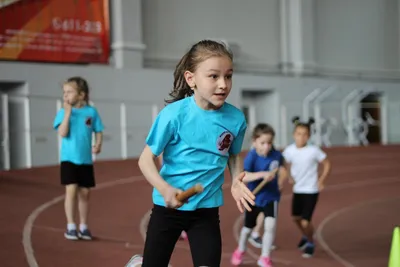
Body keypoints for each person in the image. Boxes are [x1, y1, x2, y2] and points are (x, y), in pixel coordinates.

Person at [136, 39, 255, 267]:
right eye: (213, 76)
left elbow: (232, 154)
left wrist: (237, 182)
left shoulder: (236, 119)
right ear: (191, 79)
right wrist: (165, 188)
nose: (223, 84)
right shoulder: (173, 115)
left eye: (228, 76)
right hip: (168, 207)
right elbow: (146, 159)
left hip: (206, 209)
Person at [53, 76, 104, 240]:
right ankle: (71, 226)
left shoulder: (91, 112)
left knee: (85, 193)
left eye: (69, 92)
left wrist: (98, 143)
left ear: (81, 95)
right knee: (71, 190)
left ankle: (83, 226)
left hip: (85, 160)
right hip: (68, 158)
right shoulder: (63, 112)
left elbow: (98, 130)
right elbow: (62, 132)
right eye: (64, 92)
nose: (65, 96)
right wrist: (68, 113)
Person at [231, 123, 287, 267]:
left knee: (270, 225)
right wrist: (263, 175)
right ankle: (241, 249)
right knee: (247, 229)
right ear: (254, 142)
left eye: (269, 143)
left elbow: (281, 168)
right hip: (254, 197)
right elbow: (244, 176)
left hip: (271, 197)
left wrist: (281, 179)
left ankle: (265, 256)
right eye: (262, 143)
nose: (266, 146)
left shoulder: (277, 155)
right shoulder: (252, 157)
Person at [282, 117, 331, 258]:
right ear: (293, 135)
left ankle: (310, 242)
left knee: (305, 221)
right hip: (298, 189)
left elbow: (327, 164)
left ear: (309, 136)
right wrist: (288, 175)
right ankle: (305, 235)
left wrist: (321, 180)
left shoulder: (313, 150)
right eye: (298, 133)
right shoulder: (289, 150)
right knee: (296, 218)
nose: (301, 137)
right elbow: (282, 162)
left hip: (311, 190)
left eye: (304, 134)